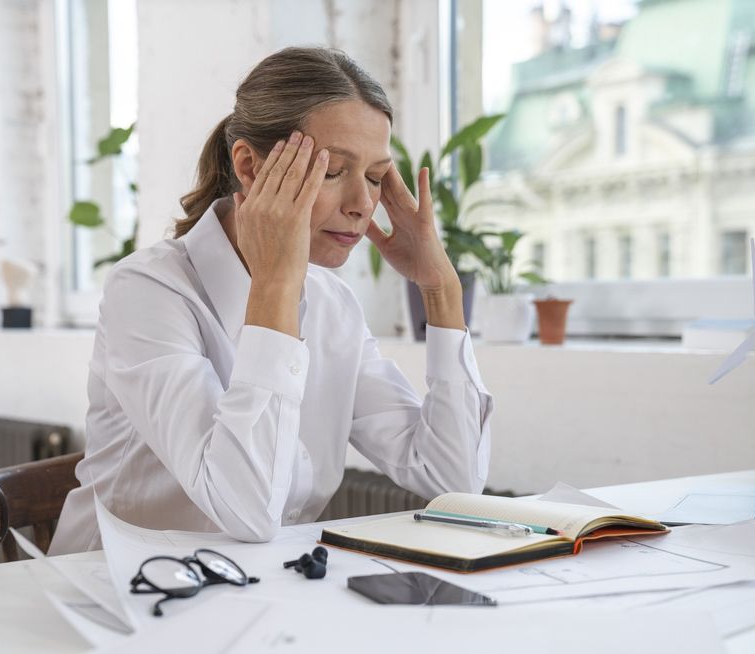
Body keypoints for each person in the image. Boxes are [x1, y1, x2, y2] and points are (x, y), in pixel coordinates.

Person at [50, 47, 493, 554]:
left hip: (247, 596)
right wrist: (276, 287)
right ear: (249, 166)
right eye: (332, 172)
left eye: (373, 178)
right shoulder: (149, 290)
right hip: (119, 593)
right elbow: (246, 509)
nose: (360, 205)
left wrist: (441, 290)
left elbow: (453, 479)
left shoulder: (332, 305)